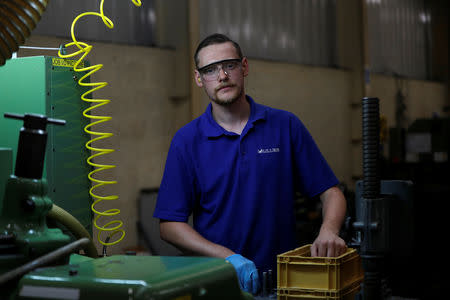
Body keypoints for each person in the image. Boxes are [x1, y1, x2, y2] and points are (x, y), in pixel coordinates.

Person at [153, 33, 347, 295]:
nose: (221, 76)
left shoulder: (285, 126)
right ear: (199, 79)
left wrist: (329, 230)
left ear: (244, 67)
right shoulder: (187, 141)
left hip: (282, 285)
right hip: (218, 285)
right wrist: (226, 257)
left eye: (229, 65)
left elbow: (331, 192)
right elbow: (169, 225)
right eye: (210, 70)